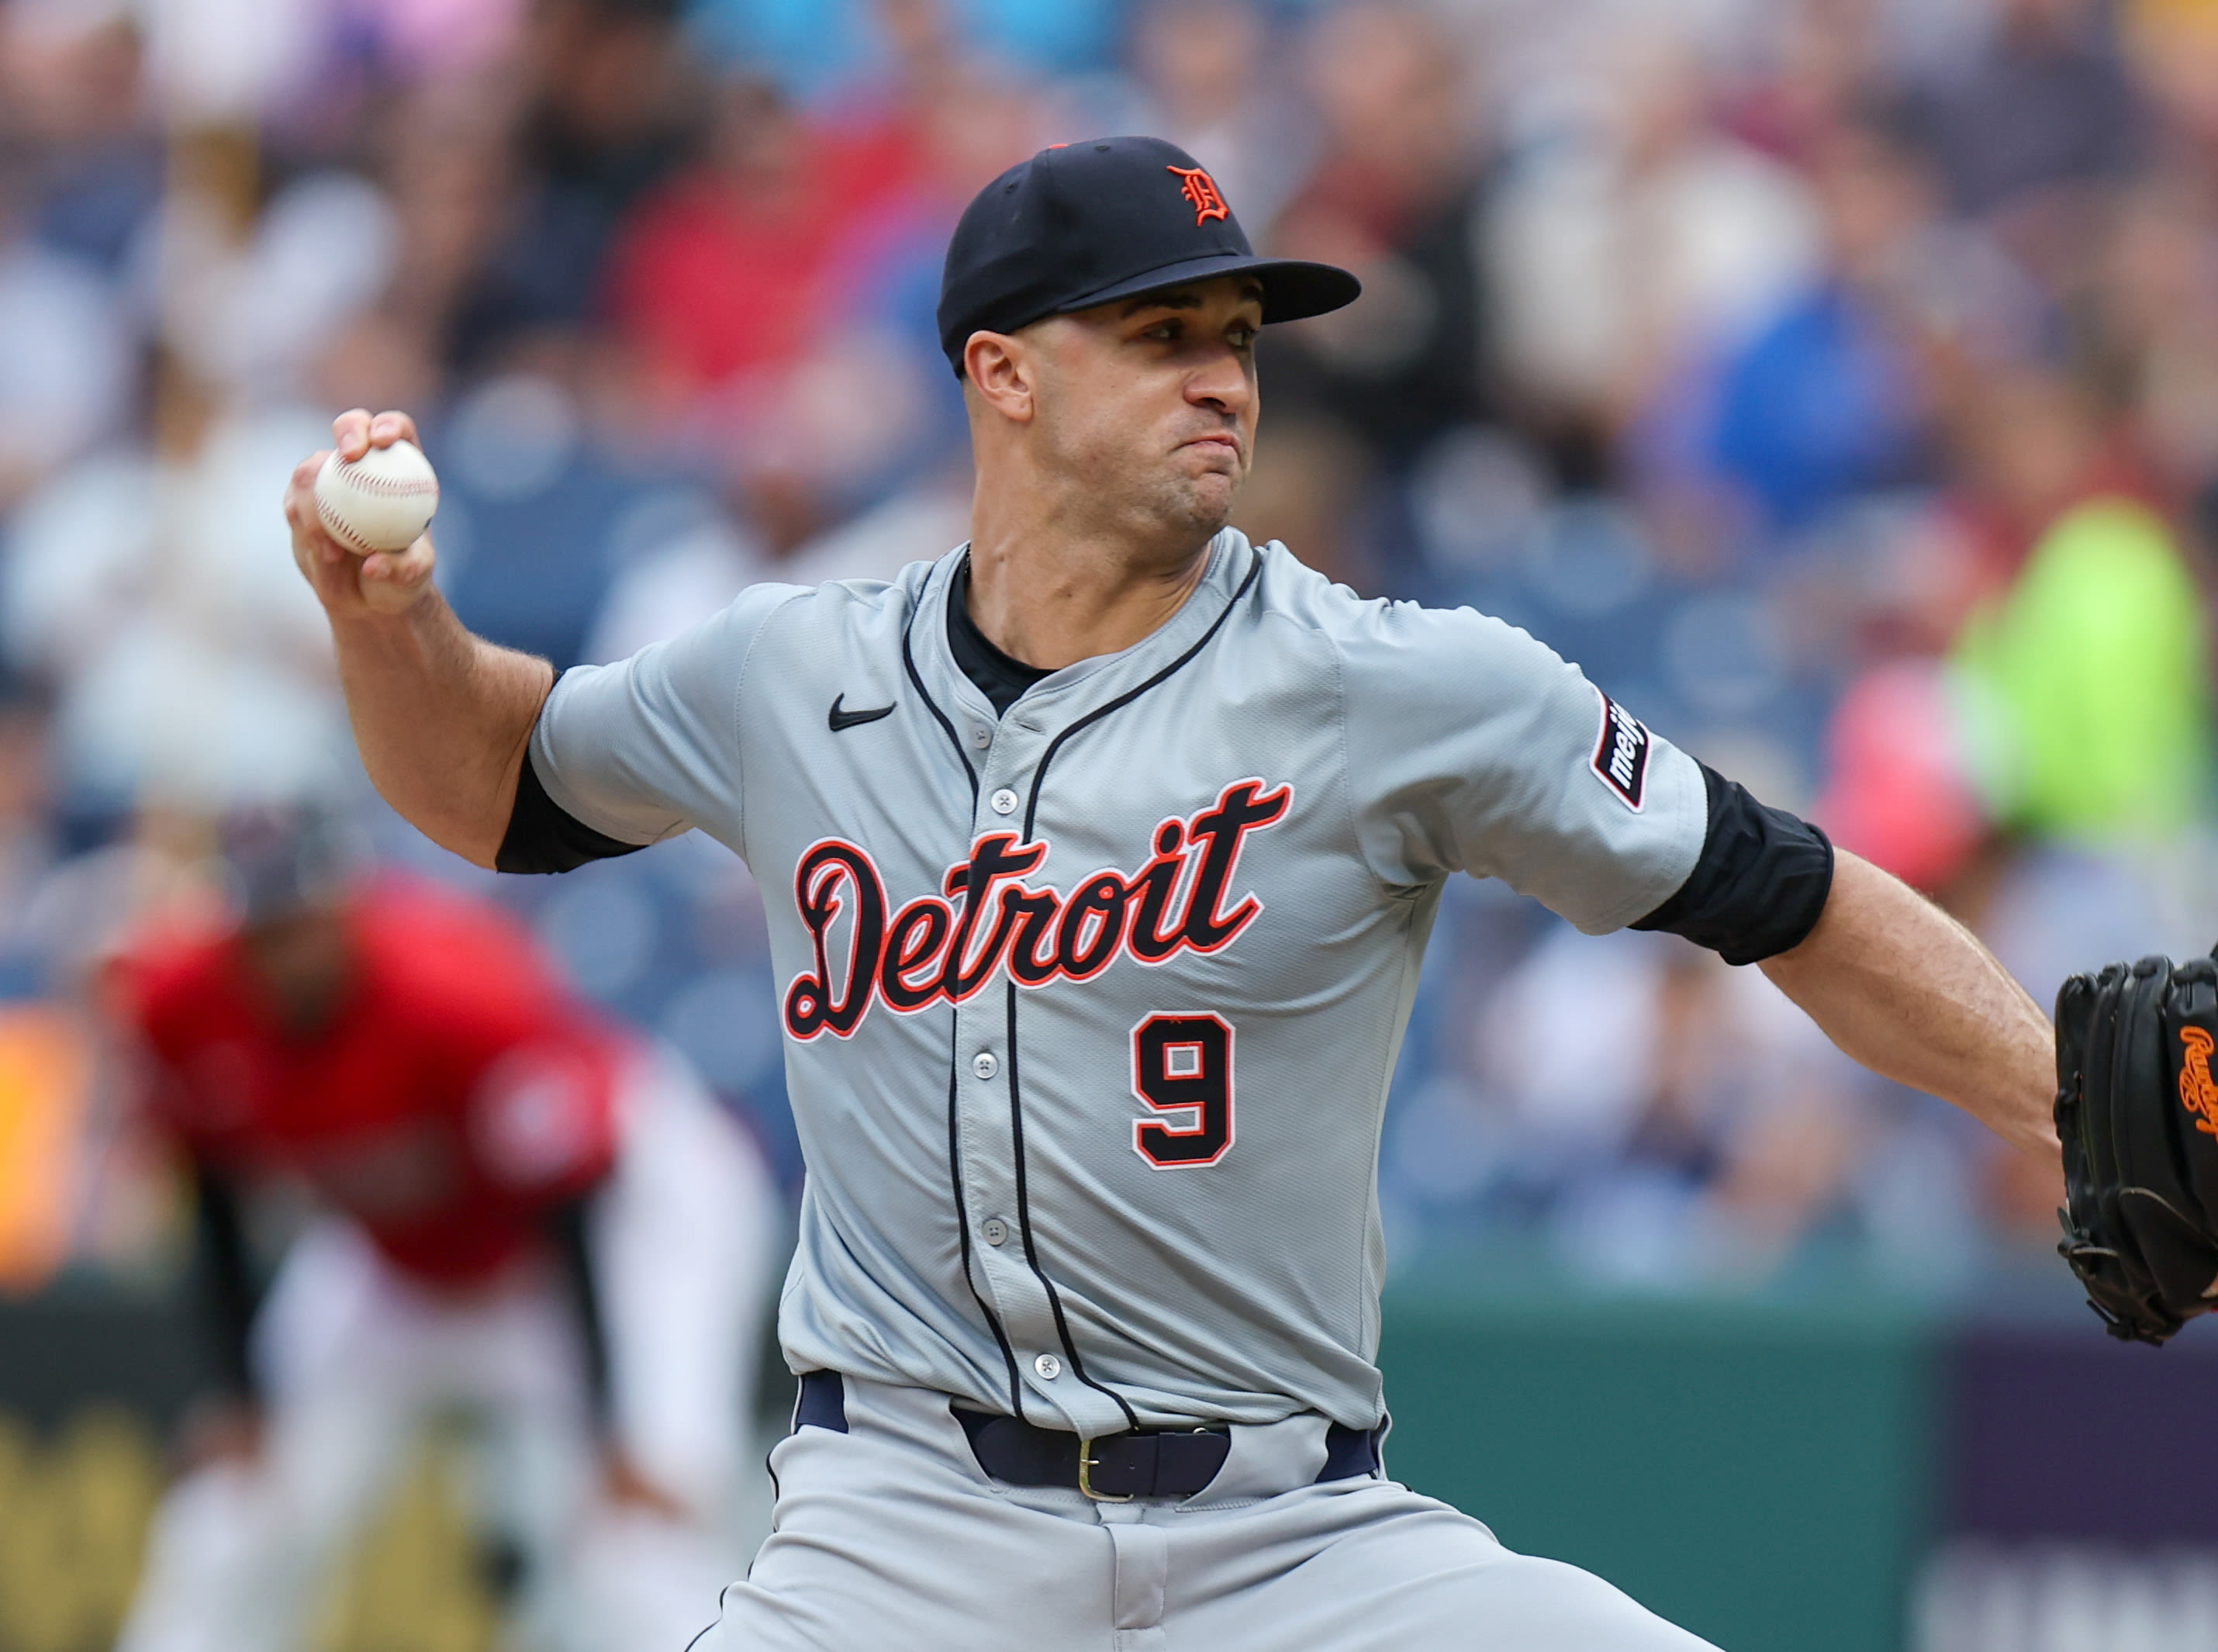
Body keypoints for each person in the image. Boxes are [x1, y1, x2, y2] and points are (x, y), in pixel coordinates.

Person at [280, 136, 2058, 1650]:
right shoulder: (789, 670)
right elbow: (495, 783)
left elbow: (1789, 892)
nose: (1225, 374)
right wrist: (396, 627)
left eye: (1236, 336)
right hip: (900, 1532)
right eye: (1160, 334)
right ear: (1004, 374)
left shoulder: (1406, 685)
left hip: (1295, 1544)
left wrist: (2066, 1107)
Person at [109, 809, 776, 1652]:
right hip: (405, 1249)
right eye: (264, 927)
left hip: (627, 1218)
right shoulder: (185, 1003)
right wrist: (244, 1401)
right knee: (237, 1509)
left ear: (348, 904)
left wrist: (614, 1433)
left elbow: (566, 1197)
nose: (286, 952)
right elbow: (209, 1193)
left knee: (636, 1537)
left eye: (301, 919)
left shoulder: (456, 989)